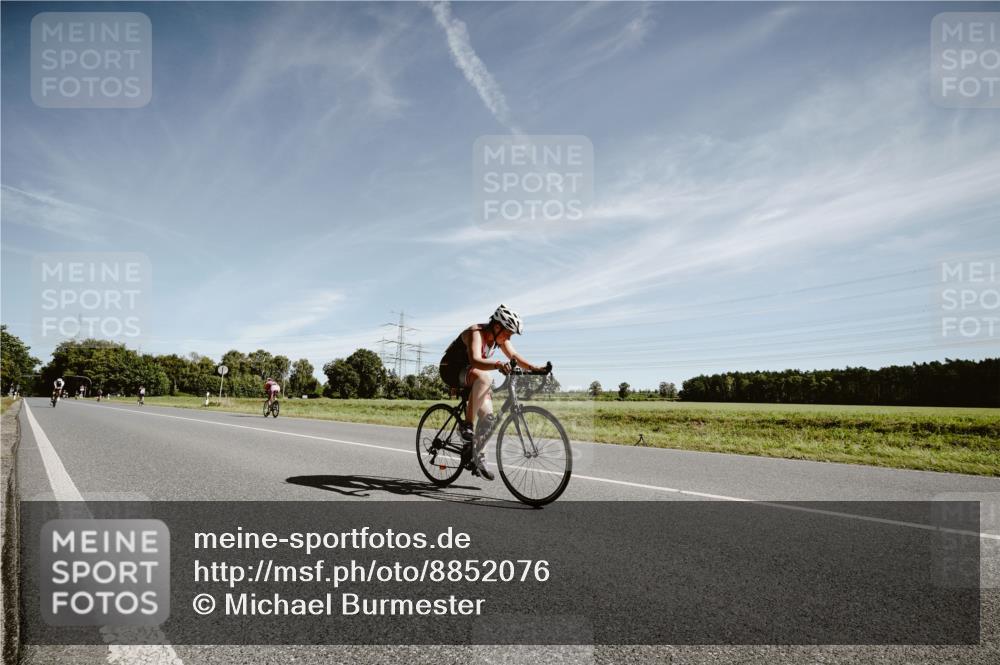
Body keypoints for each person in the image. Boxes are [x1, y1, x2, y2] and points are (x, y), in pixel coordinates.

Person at [438, 304, 546, 481]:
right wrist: (496, 364)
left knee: (489, 419)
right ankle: (466, 426)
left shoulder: (499, 338)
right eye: (508, 332)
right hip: (451, 369)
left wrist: (536, 369)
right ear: (497, 327)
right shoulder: (476, 332)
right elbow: (475, 359)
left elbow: (515, 357)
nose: (509, 337)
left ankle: (476, 455)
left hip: (472, 373)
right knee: (485, 378)